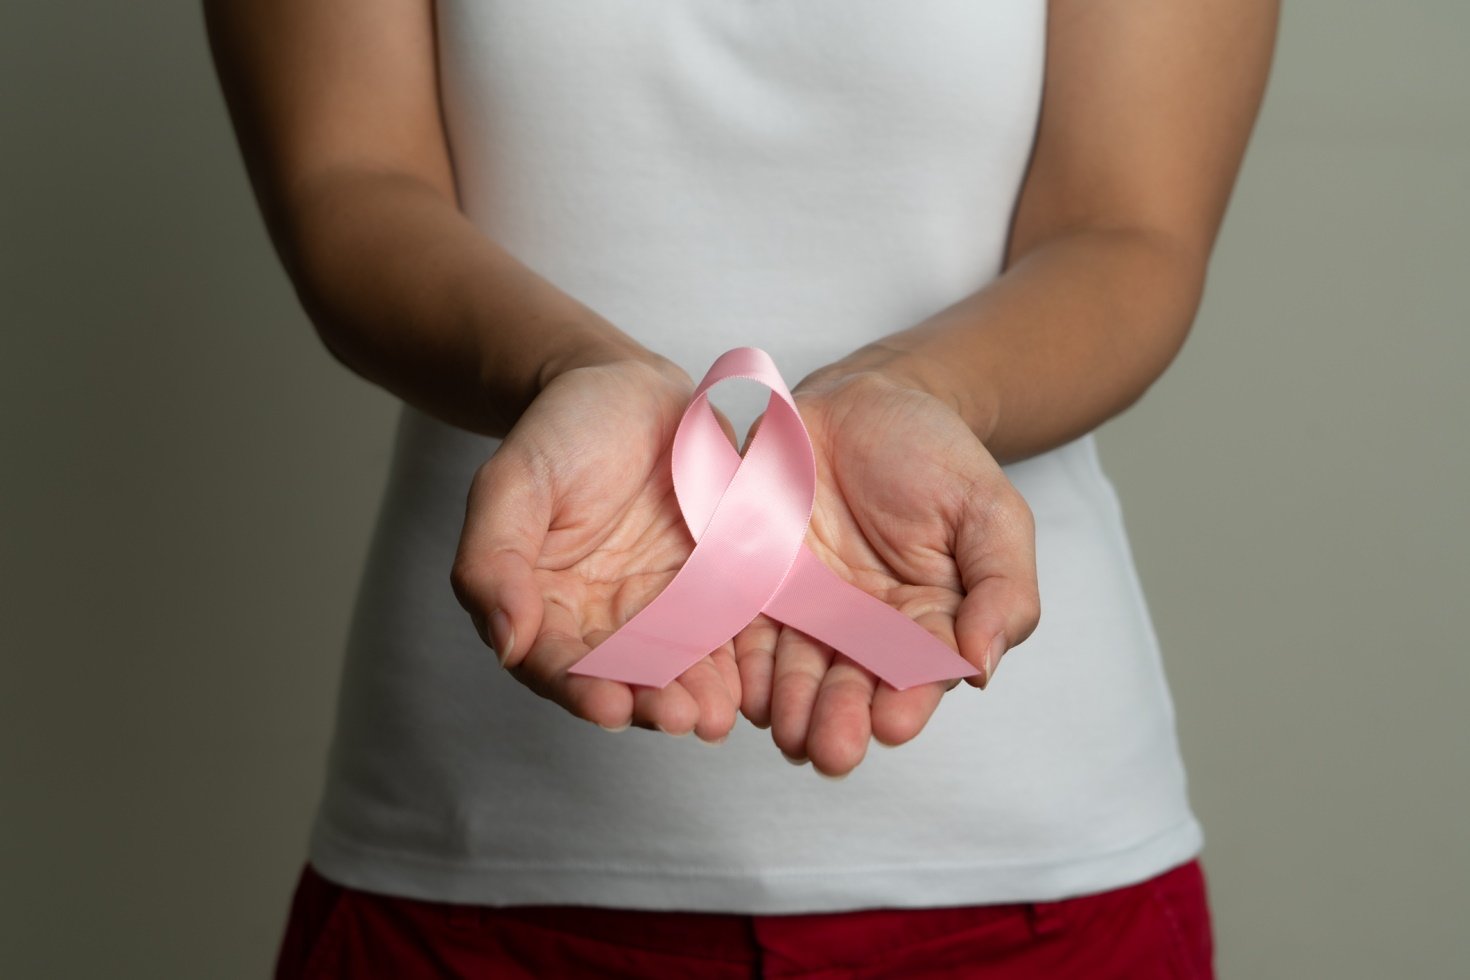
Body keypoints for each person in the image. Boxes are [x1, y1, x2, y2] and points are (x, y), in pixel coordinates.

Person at [204, 0, 1278, 976]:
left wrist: (914, 389)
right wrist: (571, 369)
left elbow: (1131, 231)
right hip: (472, 861)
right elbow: (345, 183)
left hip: (1029, 876)